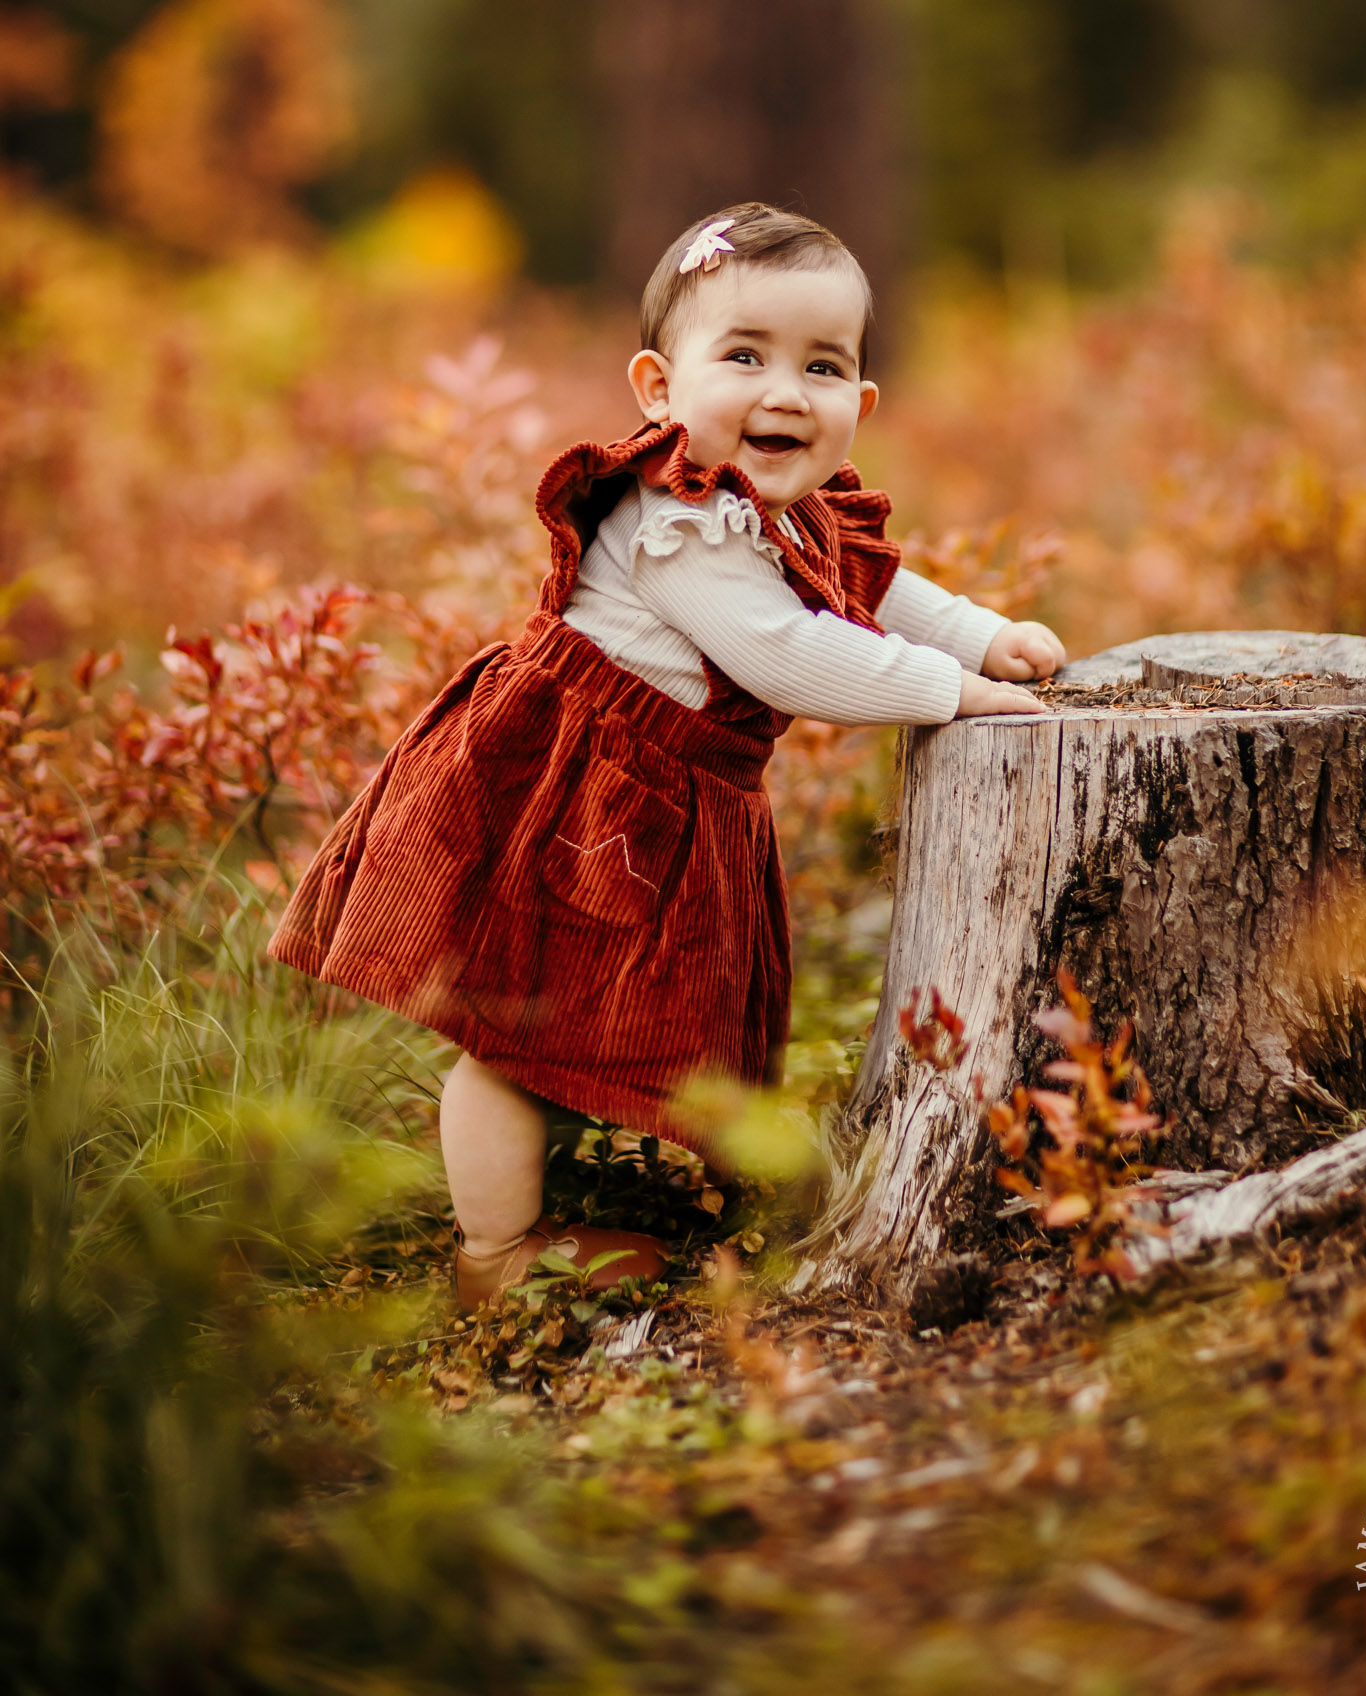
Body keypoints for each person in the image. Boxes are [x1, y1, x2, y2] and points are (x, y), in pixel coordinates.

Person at [269, 202, 1065, 1303]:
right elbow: (783, 651)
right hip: (572, 788)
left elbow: (873, 589)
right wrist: (953, 692)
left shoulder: (781, 506)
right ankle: (494, 1255)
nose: (785, 392)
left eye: (822, 366)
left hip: (663, 796)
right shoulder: (673, 518)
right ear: (658, 387)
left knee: (604, 1015)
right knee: (515, 1039)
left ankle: (636, 1189)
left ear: (859, 403)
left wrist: (979, 632)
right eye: (744, 355)